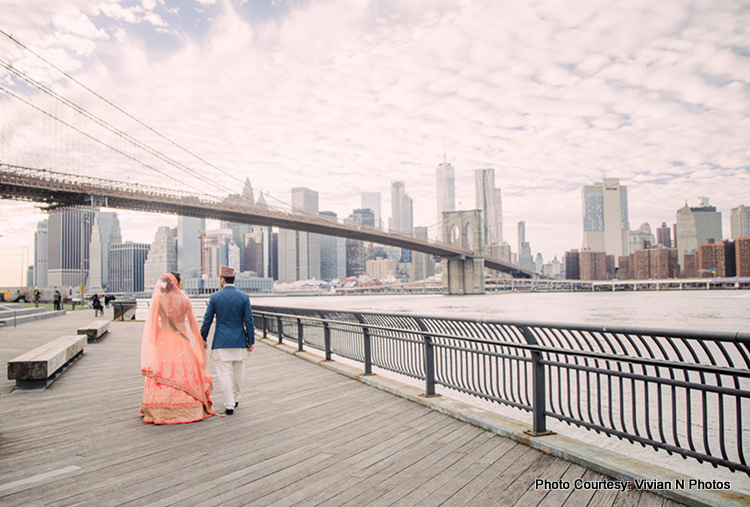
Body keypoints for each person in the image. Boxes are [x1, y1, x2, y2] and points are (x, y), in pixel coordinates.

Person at [140, 272, 215, 424]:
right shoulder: (184, 299)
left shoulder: (158, 300)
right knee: (183, 368)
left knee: (164, 369)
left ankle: (157, 405)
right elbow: (193, 324)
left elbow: (153, 324)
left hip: (163, 338)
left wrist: (154, 342)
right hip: (181, 339)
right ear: (176, 283)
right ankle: (188, 402)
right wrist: (200, 341)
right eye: (180, 281)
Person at [200, 266, 255, 416]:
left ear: (222, 279)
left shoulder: (215, 297)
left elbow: (207, 320)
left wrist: (202, 338)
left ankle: (229, 404)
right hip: (239, 341)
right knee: (239, 372)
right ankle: (236, 397)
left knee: (223, 374)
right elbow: (249, 321)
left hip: (221, 341)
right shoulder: (244, 297)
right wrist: (251, 341)